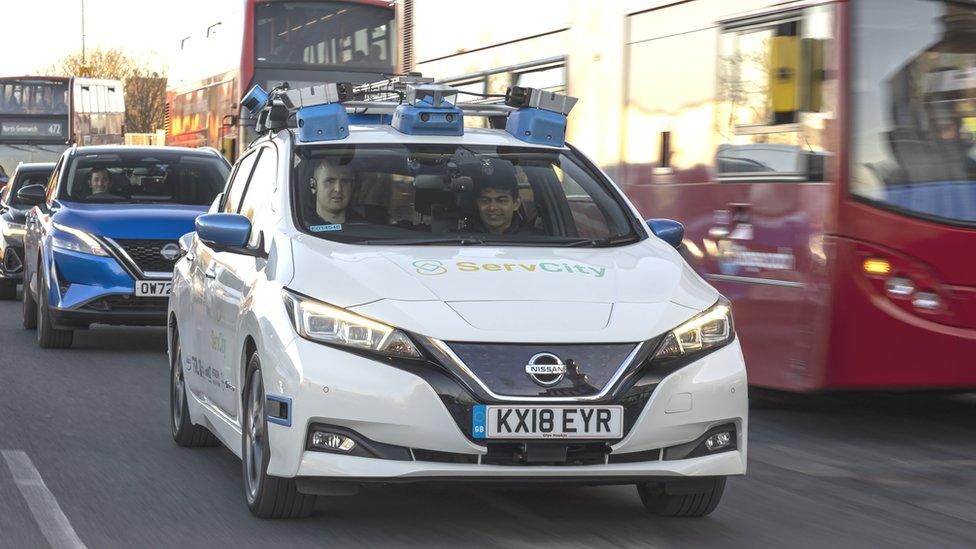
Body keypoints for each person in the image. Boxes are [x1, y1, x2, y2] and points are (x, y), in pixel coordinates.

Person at [467, 159, 540, 235]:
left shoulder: (536, 241)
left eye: (501, 201)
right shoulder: (461, 239)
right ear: (477, 203)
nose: (492, 207)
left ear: (516, 204)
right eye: (485, 200)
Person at [308, 158, 362, 225]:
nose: (338, 189)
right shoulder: (299, 225)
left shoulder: (364, 227)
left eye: (344, 181)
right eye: (330, 181)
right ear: (313, 186)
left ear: (352, 186)